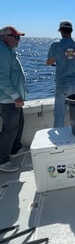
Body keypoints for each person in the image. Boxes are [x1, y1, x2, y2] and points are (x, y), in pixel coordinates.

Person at [47, 21, 75, 128]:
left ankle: (60, 141)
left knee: (60, 114)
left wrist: (58, 63)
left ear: (61, 31)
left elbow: (49, 62)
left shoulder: (55, 45)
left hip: (63, 84)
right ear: (71, 31)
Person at [0, 26, 26, 173]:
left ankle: (15, 148)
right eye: (16, 37)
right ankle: (2, 160)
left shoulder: (7, 50)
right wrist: (15, 96)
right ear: (6, 37)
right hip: (7, 99)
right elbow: (1, 78)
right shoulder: (2, 52)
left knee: (19, 123)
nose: (18, 40)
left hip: (12, 98)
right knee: (10, 129)